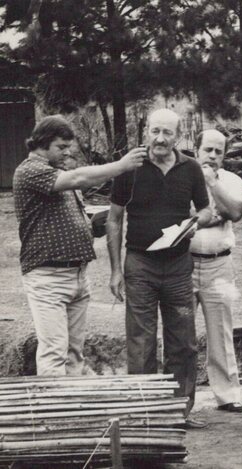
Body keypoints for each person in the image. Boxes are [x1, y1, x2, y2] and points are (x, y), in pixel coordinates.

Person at [13, 115, 144, 375]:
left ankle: (73, 399)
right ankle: (53, 401)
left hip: (77, 275)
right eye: (61, 147)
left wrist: (92, 226)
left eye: (68, 147)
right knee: (54, 353)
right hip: (48, 277)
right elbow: (78, 178)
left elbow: (61, 217)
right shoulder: (29, 170)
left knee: (74, 354)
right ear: (42, 143)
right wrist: (121, 165)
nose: (67, 152)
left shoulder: (56, 172)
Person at [106, 109, 212, 429]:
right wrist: (115, 270)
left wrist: (194, 223)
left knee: (184, 341)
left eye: (167, 132)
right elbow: (114, 219)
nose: (160, 139)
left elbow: (206, 210)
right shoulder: (130, 167)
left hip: (179, 266)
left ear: (178, 136)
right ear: (146, 132)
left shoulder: (191, 168)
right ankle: (144, 415)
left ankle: (179, 412)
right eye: (155, 131)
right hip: (140, 264)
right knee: (141, 342)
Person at [190, 129, 242, 413]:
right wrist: (213, 216)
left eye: (218, 152)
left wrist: (213, 183)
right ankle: (180, 398)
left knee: (221, 332)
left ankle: (227, 395)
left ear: (224, 155)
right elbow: (179, 218)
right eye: (207, 150)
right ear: (196, 150)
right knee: (180, 333)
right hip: (183, 265)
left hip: (220, 264)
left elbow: (234, 212)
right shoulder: (181, 177)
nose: (212, 156)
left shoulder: (232, 180)